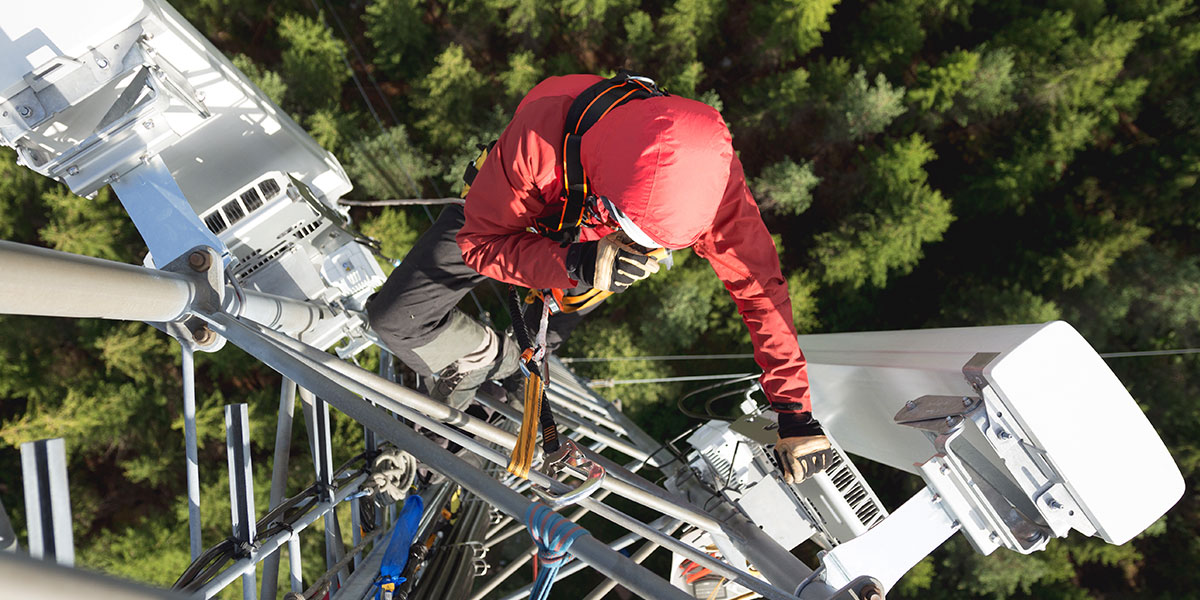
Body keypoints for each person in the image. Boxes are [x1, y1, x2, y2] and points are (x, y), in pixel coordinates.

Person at [367, 72, 832, 484]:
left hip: (590, 264)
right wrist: (574, 263)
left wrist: (793, 410)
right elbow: (480, 243)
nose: (645, 252)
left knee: (513, 392)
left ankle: (485, 399)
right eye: (636, 235)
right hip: (508, 223)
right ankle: (481, 356)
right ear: (610, 201)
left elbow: (760, 290)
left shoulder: (709, 183)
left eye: (656, 246)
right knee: (393, 320)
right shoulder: (541, 140)